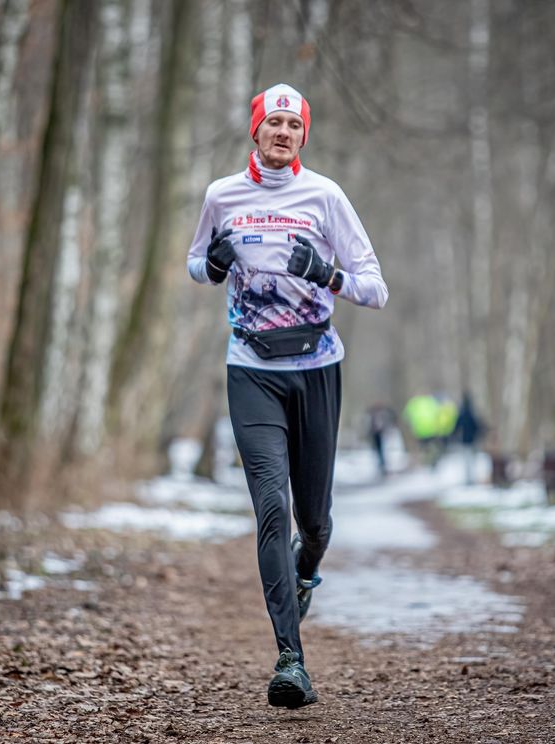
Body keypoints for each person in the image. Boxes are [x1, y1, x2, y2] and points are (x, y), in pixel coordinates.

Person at [186, 83, 388, 709]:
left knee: (316, 522)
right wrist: (214, 263)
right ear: (255, 130)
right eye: (271, 121)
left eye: (292, 124)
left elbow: (374, 288)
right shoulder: (223, 195)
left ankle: (305, 571)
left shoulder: (325, 196)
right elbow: (195, 263)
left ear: (304, 135)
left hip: (317, 367)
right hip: (251, 368)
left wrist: (323, 273)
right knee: (272, 508)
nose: (281, 132)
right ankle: (290, 660)